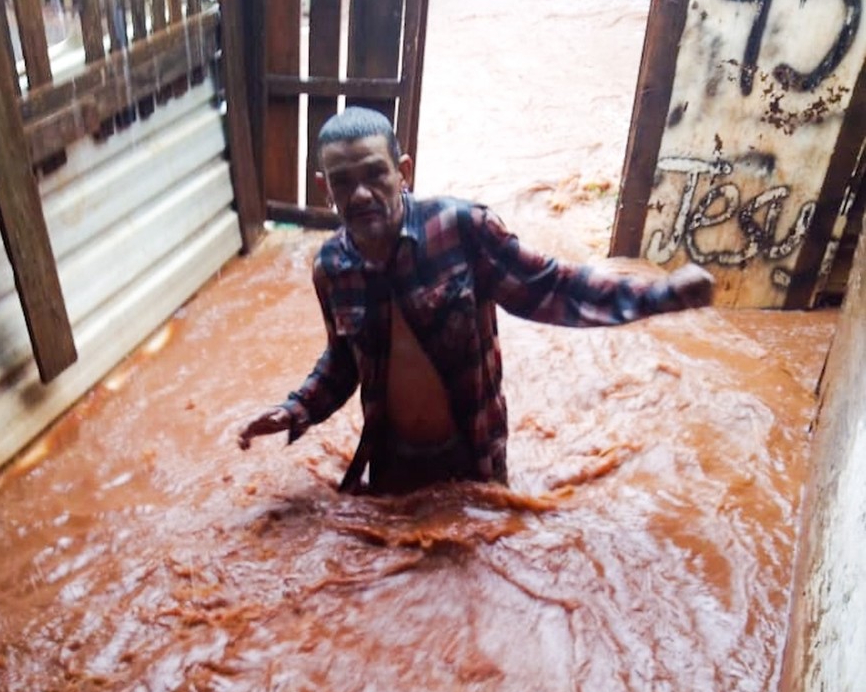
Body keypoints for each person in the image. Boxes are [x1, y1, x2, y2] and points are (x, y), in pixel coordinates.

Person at [238, 107, 714, 494]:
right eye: (342, 181)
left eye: (374, 174)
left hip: (475, 455)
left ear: (403, 172)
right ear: (326, 190)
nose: (360, 193)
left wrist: (658, 295)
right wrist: (294, 410)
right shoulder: (331, 268)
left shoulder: (461, 229)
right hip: (390, 462)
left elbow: (553, 287)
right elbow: (343, 362)